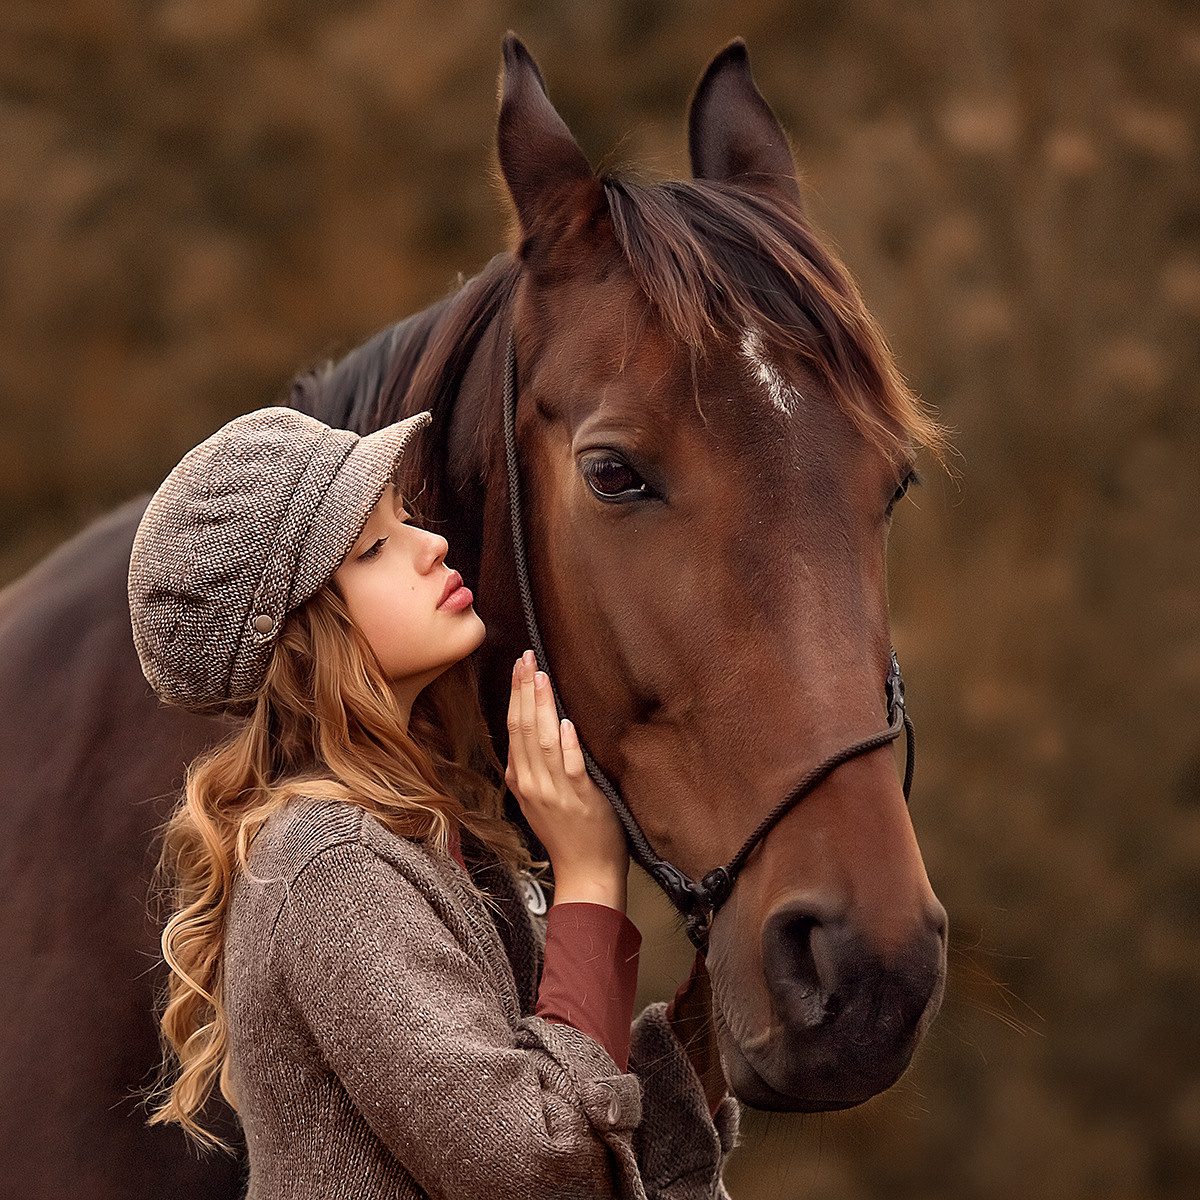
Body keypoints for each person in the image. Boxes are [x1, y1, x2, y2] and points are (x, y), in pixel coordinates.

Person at [128, 406, 738, 1200]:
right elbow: (543, 1170)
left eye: (406, 518)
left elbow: (566, 1111)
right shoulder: (331, 870)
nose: (432, 547)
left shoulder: (434, 841)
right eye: (376, 548)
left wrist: (707, 1034)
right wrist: (589, 877)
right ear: (307, 634)